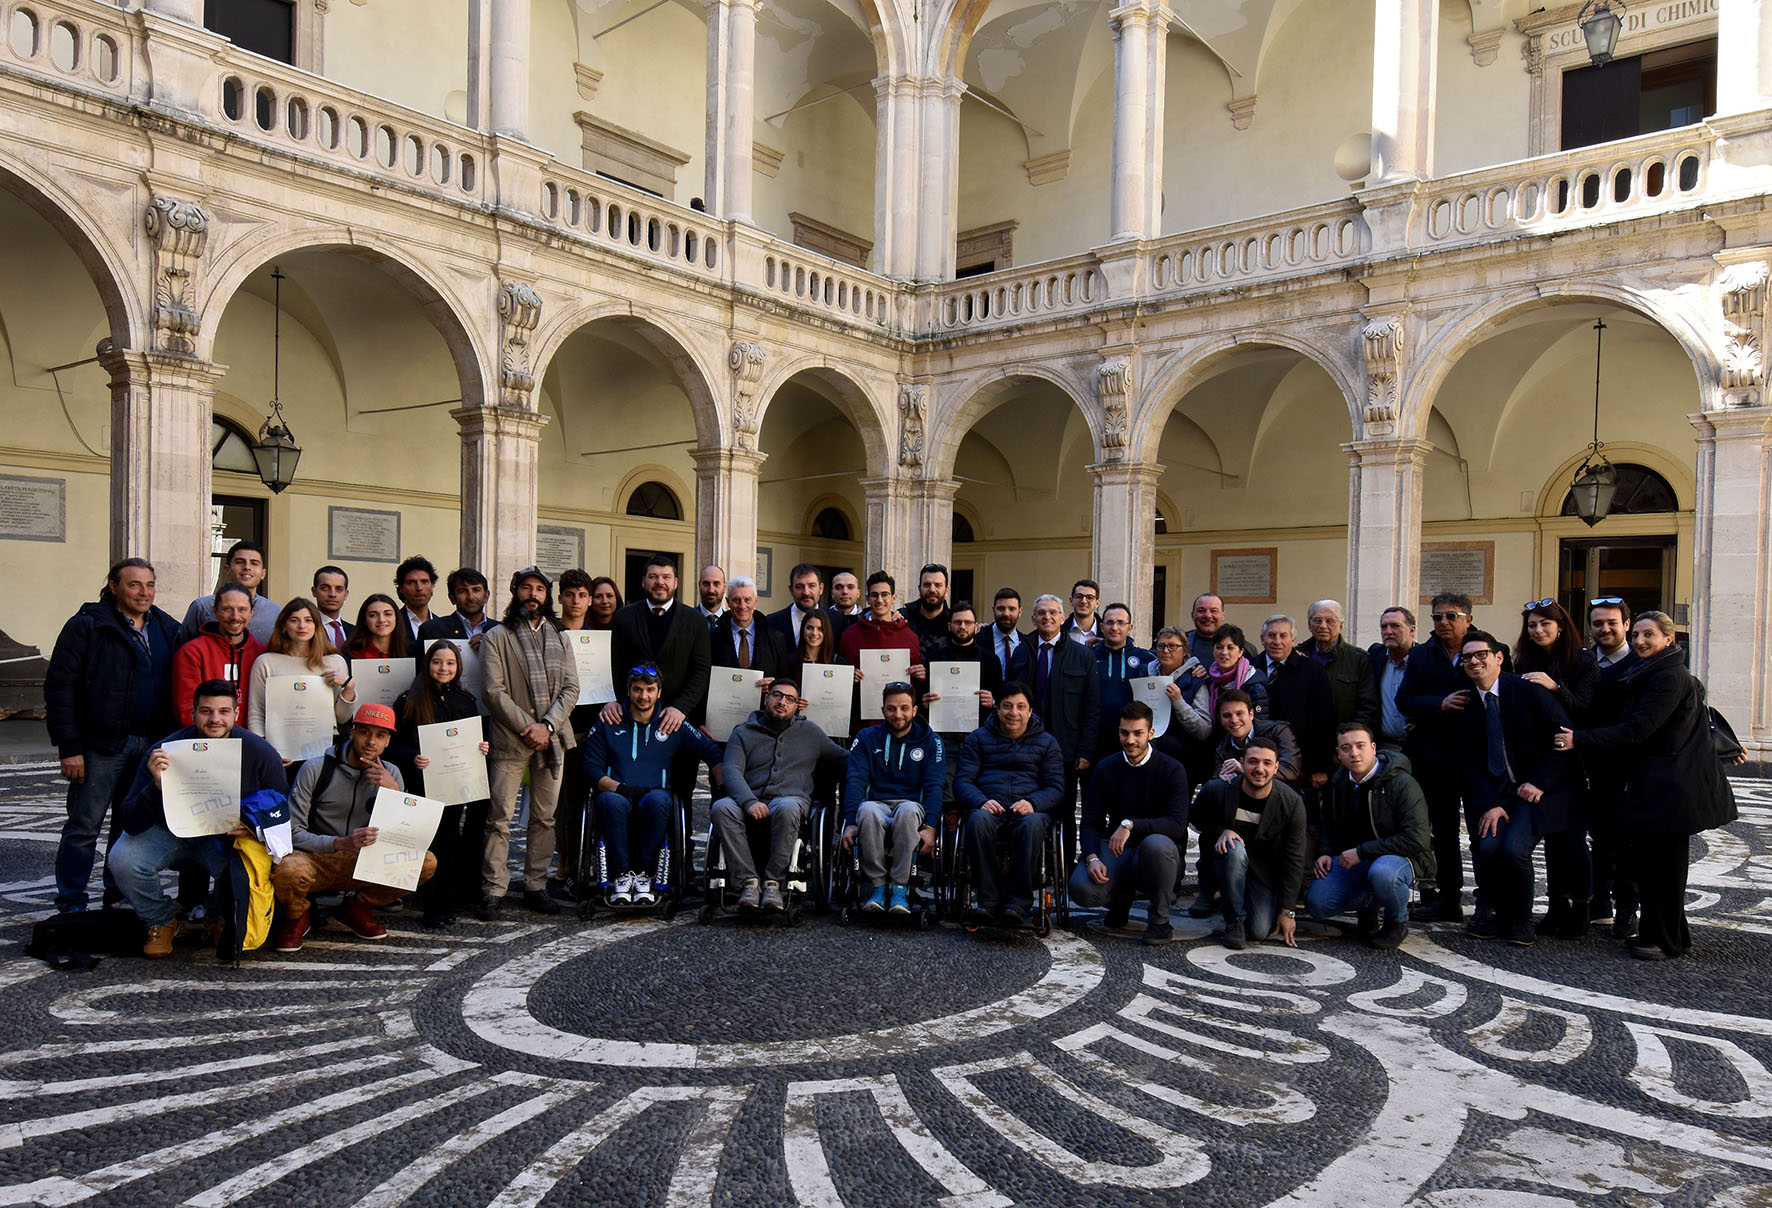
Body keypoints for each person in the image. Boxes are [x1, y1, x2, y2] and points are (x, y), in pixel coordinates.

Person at [1556, 611, 1741, 960]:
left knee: (1664, 870)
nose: (1640, 641)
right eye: (1638, 634)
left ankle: (1663, 939)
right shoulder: (1653, 673)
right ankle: (1668, 935)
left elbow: (1639, 729)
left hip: (1670, 789)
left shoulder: (1668, 677)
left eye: (1649, 635)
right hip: (1662, 786)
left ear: (1668, 639)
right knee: (1657, 868)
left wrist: (1580, 739)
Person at [109, 680, 288, 958]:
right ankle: (161, 919)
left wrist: (254, 828)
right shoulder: (166, 749)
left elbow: (281, 809)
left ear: (236, 712)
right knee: (123, 858)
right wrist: (154, 787)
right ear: (192, 712)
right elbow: (129, 820)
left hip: (226, 836)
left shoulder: (261, 753)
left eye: (223, 711)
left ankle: (218, 915)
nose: (215, 719)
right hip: (169, 832)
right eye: (206, 711)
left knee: (247, 866)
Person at [45, 557, 181, 913]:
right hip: (99, 746)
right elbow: (60, 688)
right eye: (134, 584)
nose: (144, 592)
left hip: (148, 744)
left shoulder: (166, 627)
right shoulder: (88, 626)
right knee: (83, 828)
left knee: (129, 825)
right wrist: (69, 747)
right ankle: (71, 901)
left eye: (149, 585)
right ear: (114, 586)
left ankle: (117, 896)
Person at [269, 702, 436, 951]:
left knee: (426, 862)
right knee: (288, 868)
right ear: (353, 732)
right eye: (365, 732)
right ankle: (296, 916)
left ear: (388, 742)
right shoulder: (315, 768)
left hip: (363, 861)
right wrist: (339, 843)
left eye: (380, 735)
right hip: (318, 858)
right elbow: (291, 832)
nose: (371, 741)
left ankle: (357, 907)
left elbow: (407, 837)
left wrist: (395, 793)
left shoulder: (392, 773)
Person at [1453, 628, 1575, 947]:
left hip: (1535, 792)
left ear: (1498, 658)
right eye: (1467, 657)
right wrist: (1489, 803)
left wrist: (1540, 782)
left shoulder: (1526, 690)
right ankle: (1494, 912)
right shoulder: (1466, 702)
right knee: (1489, 847)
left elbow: (1563, 737)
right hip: (1496, 795)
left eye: (1481, 655)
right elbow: (1467, 763)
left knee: (1514, 849)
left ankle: (1523, 920)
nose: (1474, 661)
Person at [479, 567, 580, 920]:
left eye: (539, 589)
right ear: (514, 591)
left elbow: (572, 688)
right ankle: (494, 888)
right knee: (500, 817)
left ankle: (536, 885)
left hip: (552, 740)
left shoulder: (560, 635)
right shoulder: (497, 637)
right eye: (526, 588)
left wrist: (548, 725)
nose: (532, 594)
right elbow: (493, 691)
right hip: (511, 740)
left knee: (545, 818)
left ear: (546, 596)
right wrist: (530, 728)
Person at [583, 664, 723, 905]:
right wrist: (620, 787)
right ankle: (622, 876)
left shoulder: (671, 722)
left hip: (656, 794)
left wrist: (723, 790)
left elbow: (712, 753)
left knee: (659, 801)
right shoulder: (609, 720)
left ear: (659, 692)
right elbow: (590, 767)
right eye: (637, 689)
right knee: (608, 801)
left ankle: (646, 875)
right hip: (618, 791)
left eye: (650, 689)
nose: (643, 696)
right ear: (628, 691)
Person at [711, 679, 847, 912]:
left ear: (797, 706)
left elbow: (845, 759)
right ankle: (748, 882)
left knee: (787, 808)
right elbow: (732, 771)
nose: (782, 702)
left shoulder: (811, 732)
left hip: (790, 799)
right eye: (777, 695)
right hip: (750, 799)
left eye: (790, 699)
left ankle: (774, 883)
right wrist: (749, 801)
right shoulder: (742, 732)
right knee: (721, 808)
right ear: (766, 698)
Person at [1067, 702, 1190, 945]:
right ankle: (1120, 898)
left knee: (1156, 845)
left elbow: (1176, 824)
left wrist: (1130, 824)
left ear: (1151, 734)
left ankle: (1160, 921)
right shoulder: (1106, 767)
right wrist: (1091, 857)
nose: (1130, 740)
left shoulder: (1172, 769)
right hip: (1119, 850)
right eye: (1124, 733)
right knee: (1082, 889)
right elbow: (1091, 820)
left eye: (1138, 733)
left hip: (1160, 852)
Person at [1512, 598, 1599, 938]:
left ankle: (1582, 907)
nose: (1538, 630)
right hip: (1540, 762)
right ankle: (1557, 905)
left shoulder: (1582, 661)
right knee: (1551, 840)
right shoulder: (1526, 660)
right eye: (1532, 625)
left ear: (1561, 627)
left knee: (1573, 841)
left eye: (1545, 624)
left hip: (1574, 764)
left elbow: (1587, 711)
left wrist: (1554, 687)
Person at [1305, 723, 1434, 950]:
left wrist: (1362, 851)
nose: (1354, 753)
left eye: (1360, 746)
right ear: (1338, 754)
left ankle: (1397, 922)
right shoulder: (1339, 783)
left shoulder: (1401, 783)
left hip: (1400, 858)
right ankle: (1370, 901)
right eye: (1346, 748)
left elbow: (1417, 839)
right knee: (1318, 904)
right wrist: (1325, 853)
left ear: (1373, 748)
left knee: (1383, 873)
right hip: (1356, 859)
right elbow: (1329, 825)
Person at [391, 641, 491, 927]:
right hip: (422, 785)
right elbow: (392, 745)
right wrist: (413, 758)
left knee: (449, 840)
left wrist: (482, 747)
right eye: (437, 662)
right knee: (427, 841)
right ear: (427, 664)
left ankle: (447, 900)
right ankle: (430, 904)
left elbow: (476, 739)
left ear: (457, 667)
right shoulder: (409, 699)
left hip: (454, 786)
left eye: (449, 663)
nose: (443, 668)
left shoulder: (465, 700)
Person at [956, 684, 1065, 927]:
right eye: (1007, 706)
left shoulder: (1047, 743)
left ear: (1030, 711)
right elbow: (963, 781)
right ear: (997, 709)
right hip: (989, 806)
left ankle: (1017, 903)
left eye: (1020, 707)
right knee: (976, 821)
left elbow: (1056, 787)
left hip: (1028, 810)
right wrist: (980, 801)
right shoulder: (978, 739)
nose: (1013, 713)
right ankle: (989, 900)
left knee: (1033, 825)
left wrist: (1034, 803)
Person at [1397, 592, 1475, 921]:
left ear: (1468, 620)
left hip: (1476, 756)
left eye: (1451, 616)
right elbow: (1405, 699)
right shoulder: (1423, 655)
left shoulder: (1487, 649)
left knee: (1484, 831)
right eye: (1437, 617)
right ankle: (1447, 896)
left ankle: (1493, 899)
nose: (1443, 622)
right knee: (1441, 831)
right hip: (1434, 757)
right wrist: (1438, 704)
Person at [1193, 738, 1308, 949]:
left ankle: (1239, 898)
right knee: (1233, 849)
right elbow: (1196, 819)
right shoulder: (1218, 790)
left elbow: (1295, 857)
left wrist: (1287, 910)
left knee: (1259, 931)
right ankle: (1233, 920)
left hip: (1263, 872)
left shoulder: (1291, 802)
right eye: (1253, 762)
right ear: (1242, 763)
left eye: (1266, 763)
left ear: (1276, 768)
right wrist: (1222, 831)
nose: (1259, 769)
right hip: (1225, 862)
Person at [1008, 593, 1099, 853]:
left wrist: (1085, 750)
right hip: (1026, 746)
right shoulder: (1022, 651)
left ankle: (1066, 865)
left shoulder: (1082, 656)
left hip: (1066, 749)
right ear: (1033, 618)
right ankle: (1034, 864)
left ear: (1062, 618)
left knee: (1064, 809)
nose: (1047, 617)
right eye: (1041, 613)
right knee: (1028, 807)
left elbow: (1091, 708)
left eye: (1052, 612)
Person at [844, 682, 945, 913]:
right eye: (891, 709)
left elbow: (934, 786)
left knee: (908, 811)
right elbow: (856, 780)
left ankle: (900, 887)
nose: (898, 714)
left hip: (911, 805)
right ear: (883, 710)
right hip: (877, 804)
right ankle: (878, 887)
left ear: (915, 710)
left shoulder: (931, 741)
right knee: (866, 811)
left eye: (904, 708)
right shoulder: (866, 737)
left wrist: (930, 827)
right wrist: (850, 822)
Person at [1585, 596, 1639, 935]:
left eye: (1611, 623)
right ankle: (1598, 900)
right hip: (1587, 765)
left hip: (1627, 767)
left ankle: (1627, 909)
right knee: (1598, 837)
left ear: (1626, 625)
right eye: (1597, 623)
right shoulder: (1583, 662)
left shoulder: (1641, 663)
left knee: (1627, 841)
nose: (1604, 629)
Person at [246, 598, 357, 747]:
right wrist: (264, 749)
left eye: (308, 620)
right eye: (294, 620)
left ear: (316, 626)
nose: (301, 626)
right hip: (278, 748)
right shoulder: (266, 663)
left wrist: (349, 687)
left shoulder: (334, 662)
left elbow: (342, 718)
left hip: (322, 749)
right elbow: (256, 714)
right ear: (284, 626)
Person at [1256, 615, 1336, 791]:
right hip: (1257, 761)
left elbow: (1324, 721)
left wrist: (1320, 768)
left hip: (1300, 764)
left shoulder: (1313, 671)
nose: (1277, 641)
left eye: (1283, 636)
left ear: (1293, 639)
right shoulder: (1250, 668)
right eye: (1271, 635)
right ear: (1262, 639)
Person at [172, 583, 266, 726]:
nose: (235, 617)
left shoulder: (261, 655)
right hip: (209, 742)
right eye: (227, 609)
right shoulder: (192, 653)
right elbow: (187, 711)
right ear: (215, 611)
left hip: (250, 742)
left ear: (251, 612)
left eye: (242, 610)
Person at [178, 540, 280, 646]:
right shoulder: (202, 608)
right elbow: (183, 648)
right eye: (240, 562)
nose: (247, 567)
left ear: (263, 574)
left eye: (254, 563)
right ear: (227, 569)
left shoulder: (275, 612)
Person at [1303, 600, 1380, 736]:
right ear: (1309, 625)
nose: (1323, 626)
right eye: (1317, 620)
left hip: (1344, 742)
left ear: (1341, 625)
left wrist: (1350, 742)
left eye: (1330, 621)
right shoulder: (1298, 657)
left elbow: (1368, 708)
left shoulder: (1359, 659)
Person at [1092, 603, 1155, 758]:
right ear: (1101, 626)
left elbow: (1171, 668)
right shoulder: (1088, 657)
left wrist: (1195, 668)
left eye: (1121, 622)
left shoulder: (1145, 659)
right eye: (1109, 622)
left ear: (1130, 627)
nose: (1114, 627)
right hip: (1096, 741)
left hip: (1132, 741)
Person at [838, 570, 925, 676]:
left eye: (885, 595)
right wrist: (850, 676)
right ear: (868, 599)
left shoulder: (910, 637)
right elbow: (841, 674)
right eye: (874, 595)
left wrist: (920, 676)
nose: (879, 600)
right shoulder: (850, 635)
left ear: (893, 598)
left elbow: (915, 679)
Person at [711, 576, 793, 684]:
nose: (742, 606)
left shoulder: (775, 638)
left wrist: (773, 686)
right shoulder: (713, 638)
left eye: (747, 600)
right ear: (728, 602)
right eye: (736, 600)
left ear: (756, 601)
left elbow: (784, 678)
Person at [1367, 606, 1419, 751]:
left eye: (1396, 626)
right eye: (1384, 627)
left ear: (1412, 630)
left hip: (1418, 746)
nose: (1388, 631)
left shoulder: (1425, 659)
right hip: (1384, 747)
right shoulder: (1375, 656)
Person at [1192, 625, 1269, 723]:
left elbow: (1261, 724)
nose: (1224, 652)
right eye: (1219, 647)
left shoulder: (1253, 684)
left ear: (1240, 652)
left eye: (1230, 648)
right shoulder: (1211, 681)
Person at [417, 567, 498, 649]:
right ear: (452, 598)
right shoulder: (432, 630)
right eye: (462, 591)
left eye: (476, 590)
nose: (470, 597)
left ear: (486, 596)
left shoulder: (502, 631)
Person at [768, 562, 830, 646]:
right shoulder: (772, 622)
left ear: (821, 589)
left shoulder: (835, 619)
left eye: (812, 586)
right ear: (791, 590)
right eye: (799, 587)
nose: (806, 592)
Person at [898, 562, 952, 650]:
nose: (932, 590)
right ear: (919, 589)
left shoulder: (955, 622)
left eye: (938, 585)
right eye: (927, 585)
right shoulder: (902, 618)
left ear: (946, 590)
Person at [344, 594, 411, 662]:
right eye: (373, 615)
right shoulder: (350, 653)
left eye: (387, 614)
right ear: (364, 620)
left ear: (396, 618)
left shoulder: (410, 651)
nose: (381, 620)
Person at [790, 610, 843, 685]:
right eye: (809, 628)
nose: (814, 633)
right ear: (803, 630)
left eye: (820, 629)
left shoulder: (838, 662)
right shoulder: (790, 662)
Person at [394, 555, 439, 640]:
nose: (419, 588)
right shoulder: (393, 623)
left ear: (432, 585)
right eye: (411, 582)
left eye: (424, 581)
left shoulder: (442, 625)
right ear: (401, 588)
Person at [987, 587, 1026, 682]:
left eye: (1012, 609)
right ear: (993, 609)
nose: (1006, 614)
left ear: (1020, 612)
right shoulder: (978, 640)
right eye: (1001, 609)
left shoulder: (1027, 643)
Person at [312, 566, 353, 650]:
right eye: (325, 588)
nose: (332, 594)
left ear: (346, 594)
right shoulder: (305, 629)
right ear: (314, 591)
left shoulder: (355, 632)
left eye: (339, 589)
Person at [1060, 579, 1101, 648]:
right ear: (1071, 601)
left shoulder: (1107, 634)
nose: (1084, 601)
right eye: (1079, 596)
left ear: (1097, 603)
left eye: (1089, 597)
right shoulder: (1060, 631)